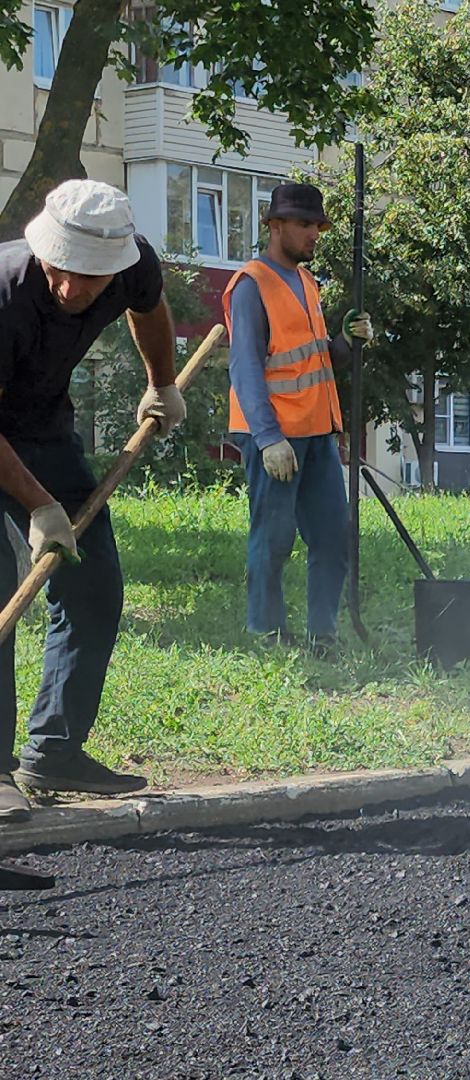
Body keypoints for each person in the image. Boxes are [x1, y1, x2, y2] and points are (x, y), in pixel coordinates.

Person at [0, 180, 185, 820]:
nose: (72, 289)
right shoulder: (4, 292)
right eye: (61, 269)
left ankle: (54, 750)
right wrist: (37, 505)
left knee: (94, 582)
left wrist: (162, 384)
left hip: (42, 426)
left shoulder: (131, 263)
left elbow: (150, 308)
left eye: (88, 278)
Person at [224, 183, 374, 654]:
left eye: (317, 225)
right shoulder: (251, 284)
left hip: (316, 432)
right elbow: (245, 366)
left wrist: (348, 343)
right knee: (273, 538)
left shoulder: (308, 283)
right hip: (272, 436)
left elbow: (314, 360)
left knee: (333, 536)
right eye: (305, 224)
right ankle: (265, 631)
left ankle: (321, 634)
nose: (314, 234)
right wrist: (269, 438)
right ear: (275, 225)